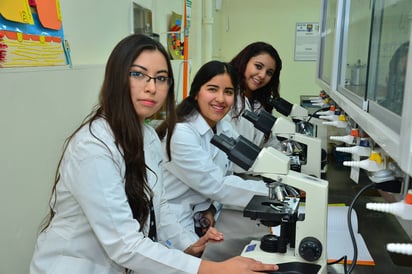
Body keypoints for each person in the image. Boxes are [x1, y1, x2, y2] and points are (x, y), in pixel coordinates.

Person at [29, 34, 278, 274]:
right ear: (115, 78)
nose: (151, 87)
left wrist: (186, 243)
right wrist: (211, 269)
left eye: (161, 78)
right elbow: (124, 244)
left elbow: (159, 204)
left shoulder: (146, 135)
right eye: (138, 74)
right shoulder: (94, 148)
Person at [156, 60, 270, 242]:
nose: (221, 99)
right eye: (212, 89)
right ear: (196, 93)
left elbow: (233, 170)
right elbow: (216, 185)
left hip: (200, 217)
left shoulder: (223, 127)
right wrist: (272, 193)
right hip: (173, 225)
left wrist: (211, 208)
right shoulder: (181, 134)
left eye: (228, 92)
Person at [225, 41, 283, 148]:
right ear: (245, 61)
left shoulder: (260, 102)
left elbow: (268, 141)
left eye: (269, 73)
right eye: (258, 66)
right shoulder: (227, 96)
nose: (262, 75)